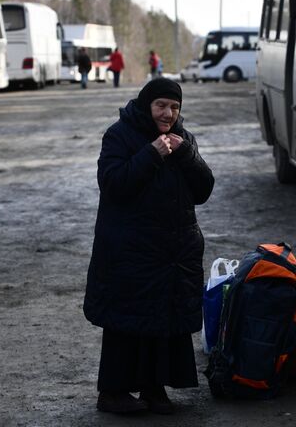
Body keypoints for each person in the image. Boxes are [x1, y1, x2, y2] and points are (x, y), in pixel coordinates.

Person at [84, 78, 215, 414]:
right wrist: (151, 153)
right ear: (147, 105)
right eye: (161, 105)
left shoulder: (184, 139)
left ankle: (155, 391)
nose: (168, 113)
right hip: (130, 248)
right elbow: (113, 184)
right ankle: (112, 394)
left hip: (172, 249)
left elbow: (203, 190)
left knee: (164, 320)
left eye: (174, 107)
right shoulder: (120, 134)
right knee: (127, 321)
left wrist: (185, 153)